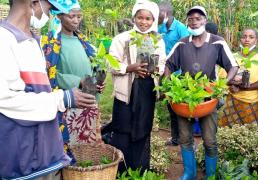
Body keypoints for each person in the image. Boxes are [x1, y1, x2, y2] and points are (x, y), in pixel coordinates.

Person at [0, 0, 96, 179]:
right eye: (51, 9)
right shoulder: (4, 40)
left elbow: (37, 91)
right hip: (21, 158)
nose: (51, 15)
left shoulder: (31, 40)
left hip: (40, 152)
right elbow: (5, 99)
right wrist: (61, 99)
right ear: (33, 2)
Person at [165, 6, 239, 179]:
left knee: (210, 139)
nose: (194, 21)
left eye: (198, 18)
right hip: (185, 97)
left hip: (209, 97)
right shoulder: (182, 43)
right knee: (185, 138)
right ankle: (189, 172)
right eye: (190, 19)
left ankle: (210, 174)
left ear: (205, 20)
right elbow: (168, 65)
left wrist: (221, 85)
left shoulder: (217, 42)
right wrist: (168, 84)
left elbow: (233, 66)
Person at [109, 0, 166, 173]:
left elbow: (162, 62)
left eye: (148, 18)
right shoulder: (122, 38)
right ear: (134, 18)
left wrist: (156, 69)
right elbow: (111, 63)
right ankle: (121, 171)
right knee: (123, 129)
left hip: (146, 90)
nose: (144, 22)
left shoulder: (157, 40)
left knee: (142, 129)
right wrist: (129, 68)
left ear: (153, 20)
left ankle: (140, 172)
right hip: (126, 92)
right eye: (140, 17)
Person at [42, 0, 105, 149]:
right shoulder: (52, 43)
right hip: (70, 101)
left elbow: (94, 65)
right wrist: (78, 81)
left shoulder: (83, 41)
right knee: (72, 144)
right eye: (72, 16)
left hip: (88, 99)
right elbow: (50, 74)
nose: (76, 20)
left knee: (87, 144)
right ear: (59, 16)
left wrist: (98, 82)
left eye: (79, 16)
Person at [219, 28, 258, 127]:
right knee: (229, 130)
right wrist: (231, 85)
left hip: (252, 101)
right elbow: (223, 79)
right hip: (233, 99)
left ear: (256, 41)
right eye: (244, 37)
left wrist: (242, 87)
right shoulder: (231, 57)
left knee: (253, 131)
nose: (247, 40)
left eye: (251, 37)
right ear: (240, 40)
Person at [158, 0, 189, 146]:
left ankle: (181, 138)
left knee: (178, 107)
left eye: (159, 14)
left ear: (165, 13)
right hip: (165, 72)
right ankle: (176, 137)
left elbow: (187, 50)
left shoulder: (181, 29)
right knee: (170, 107)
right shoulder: (161, 28)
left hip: (178, 74)